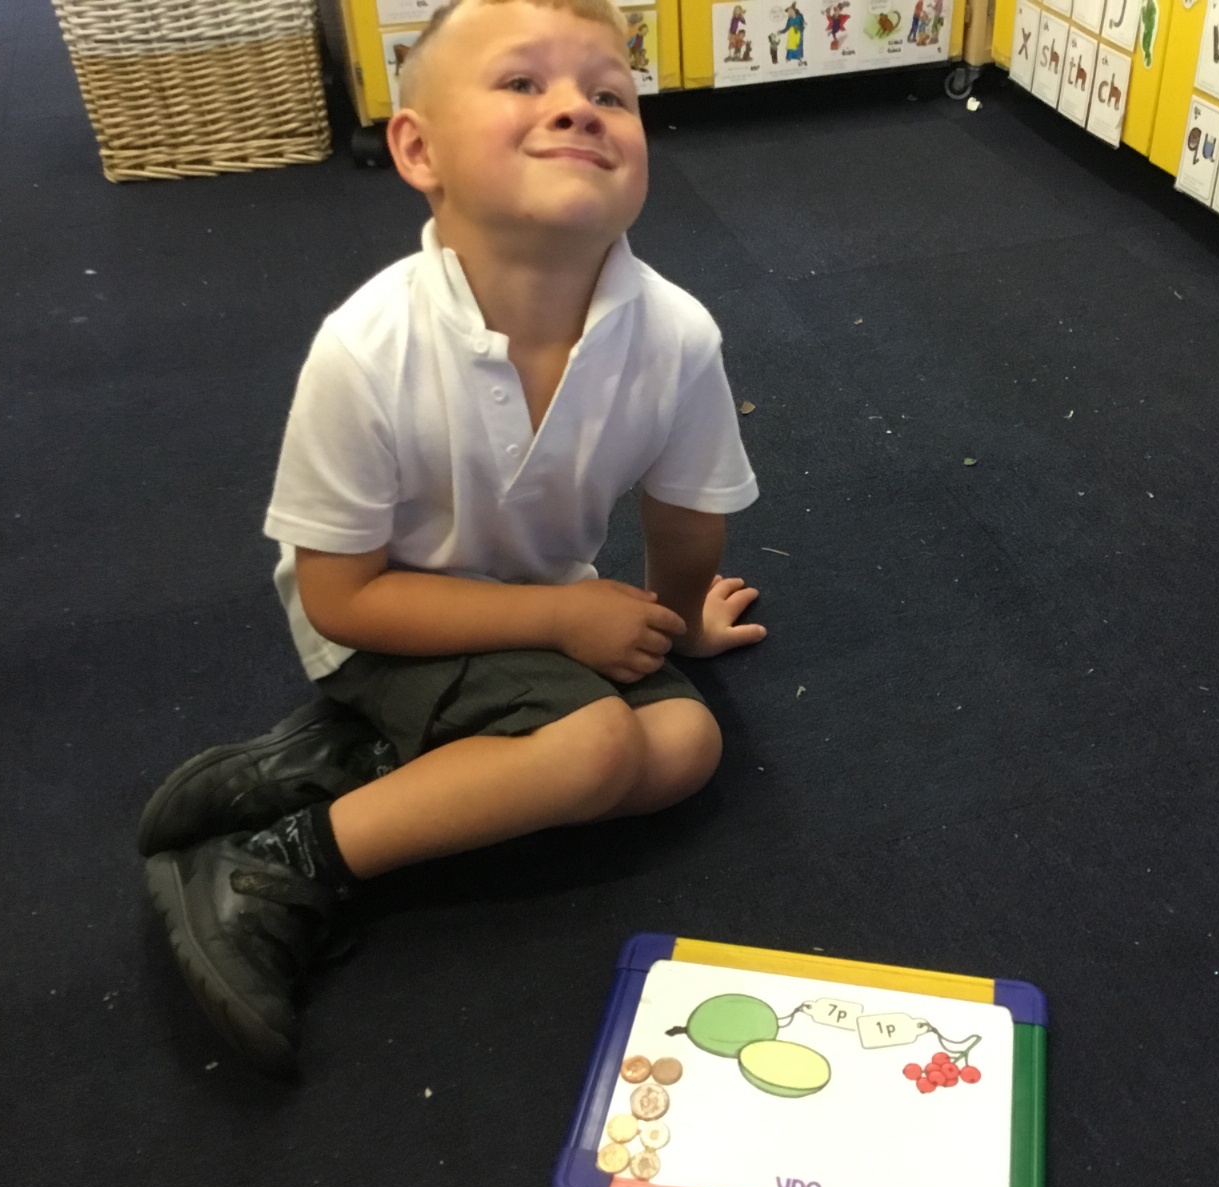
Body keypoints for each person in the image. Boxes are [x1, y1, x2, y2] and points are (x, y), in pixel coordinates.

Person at [139, 0, 766, 1078]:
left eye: (608, 92)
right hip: (390, 623)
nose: (576, 107)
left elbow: (683, 512)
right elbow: (342, 600)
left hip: (542, 612)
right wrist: (560, 617)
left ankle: (353, 764)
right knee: (594, 748)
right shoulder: (366, 347)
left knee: (686, 746)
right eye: (522, 83)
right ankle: (273, 863)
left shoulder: (675, 334)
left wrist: (682, 624)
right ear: (417, 151)